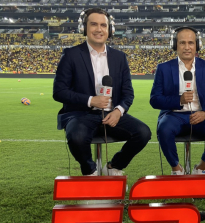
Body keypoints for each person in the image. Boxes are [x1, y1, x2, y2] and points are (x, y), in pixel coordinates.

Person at [53, 8, 151, 176]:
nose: (99, 29)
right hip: (80, 114)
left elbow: (128, 93)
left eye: (103, 25)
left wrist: (118, 111)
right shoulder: (71, 55)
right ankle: (90, 171)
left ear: (110, 30)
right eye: (94, 24)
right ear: (84, 28)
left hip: (111, 114)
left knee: (143, 133)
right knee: (76, 136)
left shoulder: (119, 57)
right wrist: (91, 100)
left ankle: (113, 167)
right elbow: (59, 92)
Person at [150, 26, 205, 175]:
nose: (187, 47)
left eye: (191, 43)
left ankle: (200, 168)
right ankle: (176, 169)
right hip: (174, 115)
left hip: (201, 115)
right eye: (182, 43)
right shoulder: (163, 68)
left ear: (197, 45)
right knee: (164, 129)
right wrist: (178, 100)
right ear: (175, 45)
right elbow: (155, 99)